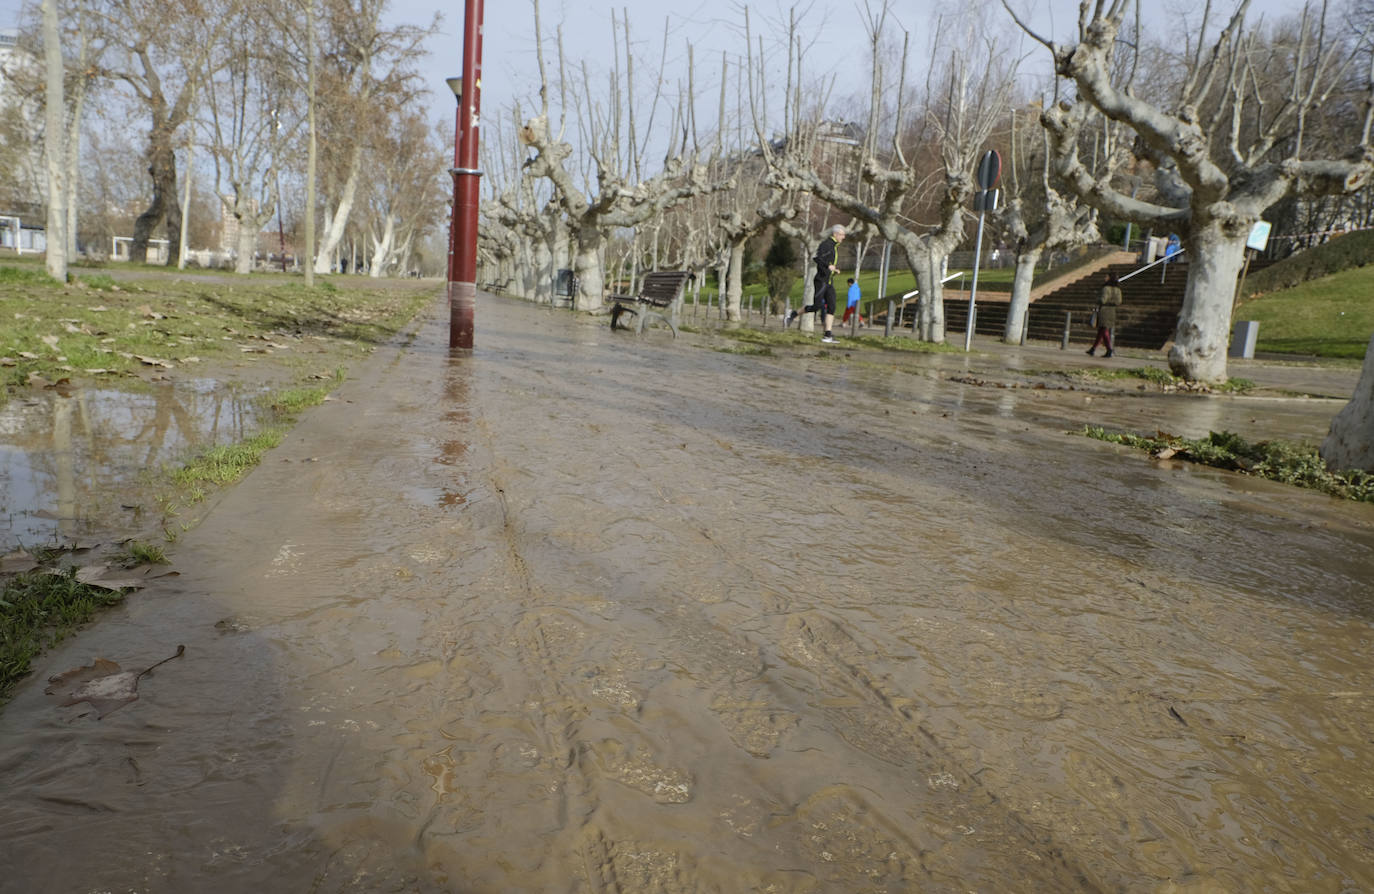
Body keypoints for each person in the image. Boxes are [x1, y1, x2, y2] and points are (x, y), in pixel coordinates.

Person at [786, 224, 845, 342]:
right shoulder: (826, 244)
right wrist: (829, 266)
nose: (844, 237)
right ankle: (793, 314)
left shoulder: (834, 246)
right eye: (842, 235)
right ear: (836, 234)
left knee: (832, 306)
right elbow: (817, 258)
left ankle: (827, 335)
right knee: (816, 307)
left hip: (829, 281)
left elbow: (828, 262)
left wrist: (834, 270)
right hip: (821, 281)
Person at [1086, 272, 1123, 358]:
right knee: (1102, 330)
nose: (1104, 278)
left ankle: (1109, 349)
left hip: (1104, 310)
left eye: (1106, 276)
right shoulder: (1118, 289)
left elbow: (1103, 300)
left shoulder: (1106, 288)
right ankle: (1093, 349)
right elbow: (1119, 301)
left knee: (1104, 329)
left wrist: (1097, 298)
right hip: (1112, 311)